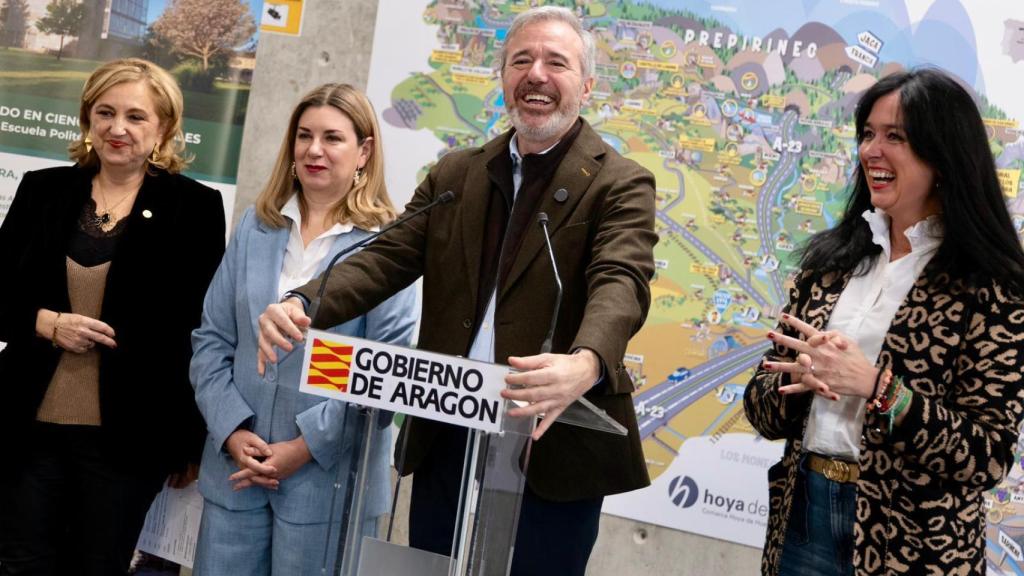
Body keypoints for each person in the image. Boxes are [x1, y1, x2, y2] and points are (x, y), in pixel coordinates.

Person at [256, 6, 656, 575]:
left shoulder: (620, 182)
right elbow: (385, 258)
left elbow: (622, 279)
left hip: (550, 447)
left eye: (556, 63)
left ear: (586, 86)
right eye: (521, 60)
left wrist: (586, 361)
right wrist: (302, 301)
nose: (536, 74)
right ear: (503, 77)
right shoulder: (456, 174)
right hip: (446, 431)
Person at [744, 67, 1024, 576]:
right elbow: (761, 411)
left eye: (895, 136)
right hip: (804, 513)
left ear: (943, 156)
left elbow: (986, 456)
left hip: (916, 543)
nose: (871, 150)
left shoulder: (993, 287)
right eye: (868, 134)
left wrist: (878, 388)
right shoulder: (830, 264)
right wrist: (801, 381)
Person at [0, 58, 225, 575]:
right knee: (20, 563)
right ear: (87, 119)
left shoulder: (194, 207)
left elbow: (200, 334)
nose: (117, 128)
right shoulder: (42, 190)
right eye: (105, 112)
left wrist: (191, 443)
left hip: (130, 438)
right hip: (27, 427)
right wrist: (47, 324)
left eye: (135, 116)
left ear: (164, 127)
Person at [189, 83, 416, 575]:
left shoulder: (391, 244)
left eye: (332, 138)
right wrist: (232, 430)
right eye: (305, 135)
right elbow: (212, 340)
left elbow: (386, 372)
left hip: (330, 485)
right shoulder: (256, 226)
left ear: (364, 151)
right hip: (236, 471)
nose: (314, 150)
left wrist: (303, 447)